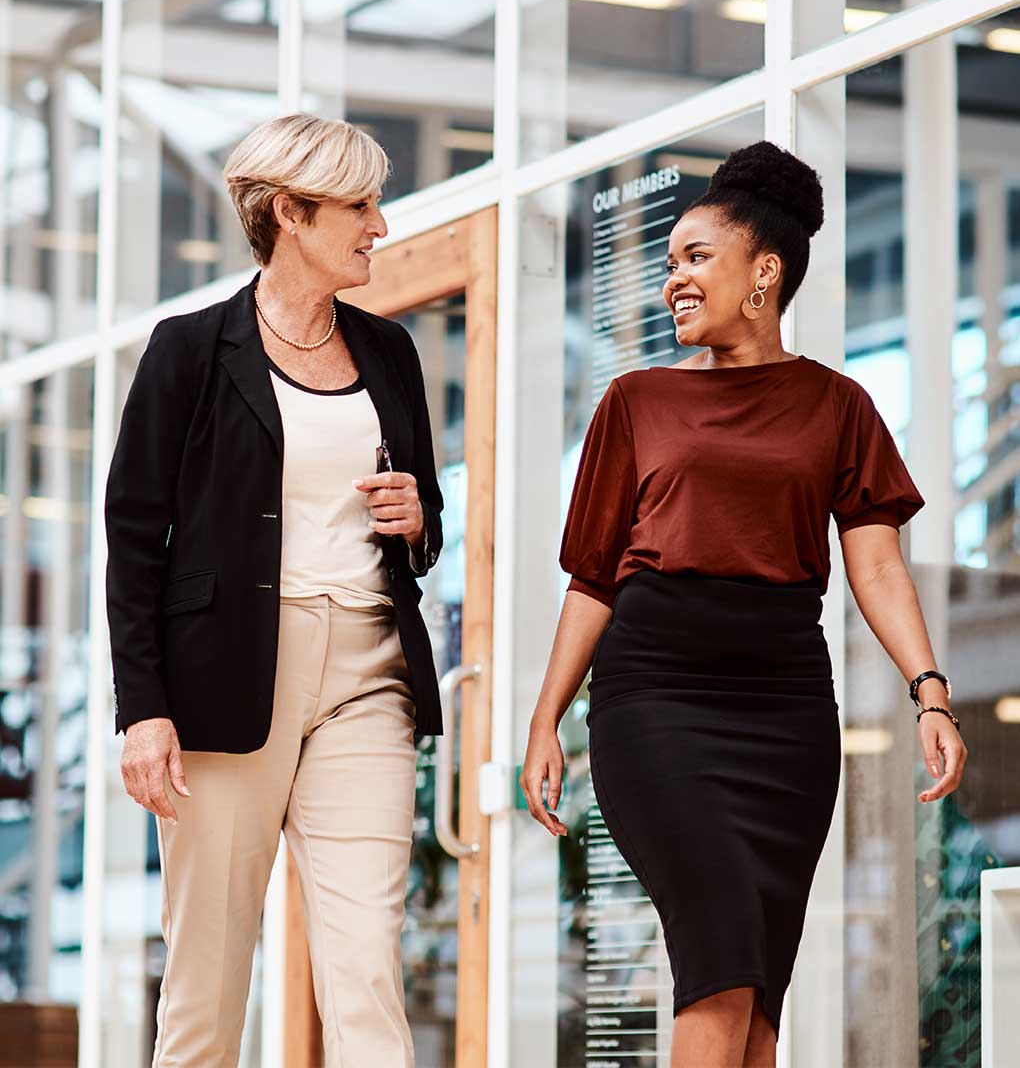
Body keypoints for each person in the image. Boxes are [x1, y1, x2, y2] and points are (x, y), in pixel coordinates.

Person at [520, 141, 967, 1068]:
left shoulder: (839, 406)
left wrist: (929, 690)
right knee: (720, 960)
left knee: (756, 995)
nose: (671, 279)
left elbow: (876, 567)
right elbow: (595, 576)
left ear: (764, 272)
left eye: (694, 257)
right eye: (669, 261)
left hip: (785, 707)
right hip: (657, 698)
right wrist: (545, 719)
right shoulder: (636, 402)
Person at [105, 112, 444, 1067]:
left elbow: (427, 526)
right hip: (224, 682)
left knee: (366, 968)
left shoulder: (390, 354)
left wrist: (418, 519)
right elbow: (133, 540)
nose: (380, 225)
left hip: (368, 676)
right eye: (361, 205)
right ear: (290, 212)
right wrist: (144, 712)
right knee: (208, 981)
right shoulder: (188, 351)